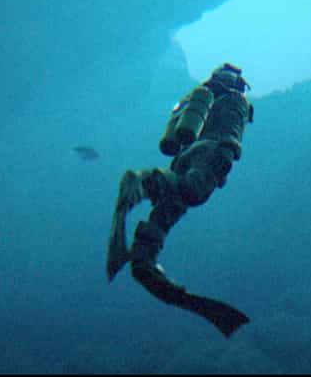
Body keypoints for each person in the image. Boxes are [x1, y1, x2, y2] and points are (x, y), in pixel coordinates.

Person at [107, 62, 253, 337]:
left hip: (183, 159)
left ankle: (144, 258)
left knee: (169, 208)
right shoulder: (236, 99)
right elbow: (232, 132)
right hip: (211, 151)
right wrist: (226, 155)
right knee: (194, 192)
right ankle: (142, 180)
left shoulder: (200, 100)